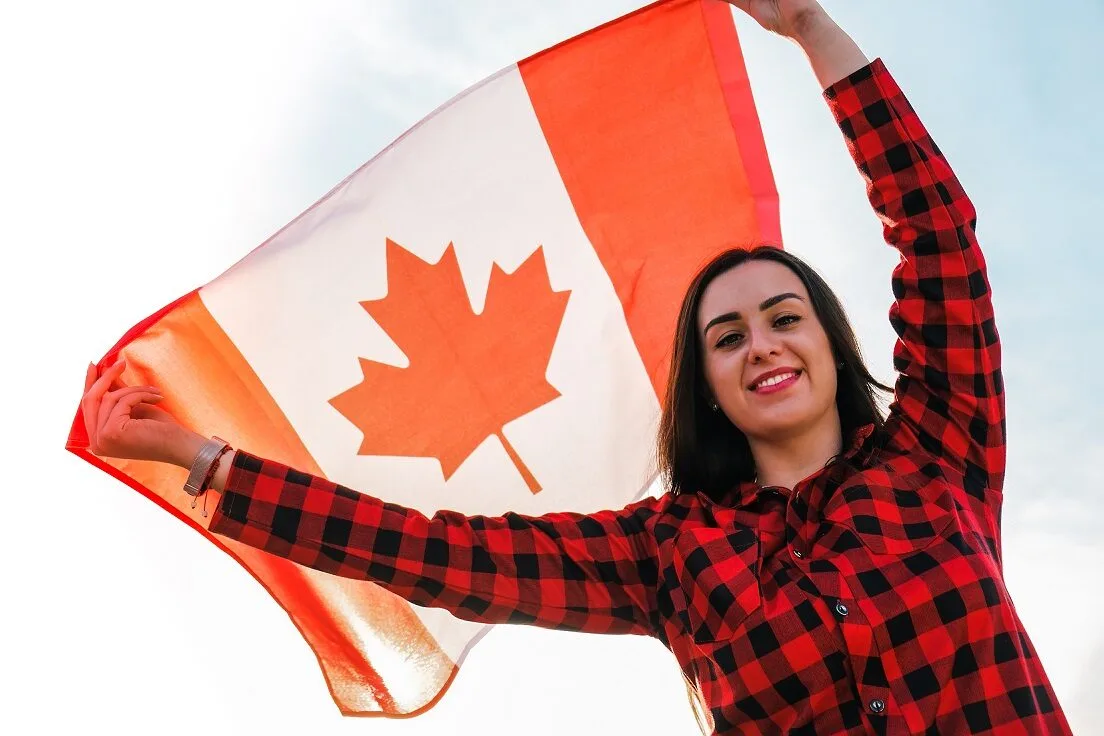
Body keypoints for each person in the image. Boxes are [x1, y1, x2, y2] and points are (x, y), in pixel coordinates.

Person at [79, 0, 1072, 733]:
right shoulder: (672, 554)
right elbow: (435, 554)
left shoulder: (939, 453)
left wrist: (813, 29)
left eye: (784, 317)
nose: (763, 344)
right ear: (706, 388)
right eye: (727, 337)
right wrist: (198, 457)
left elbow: (937, 234)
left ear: (829, 342)